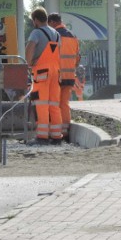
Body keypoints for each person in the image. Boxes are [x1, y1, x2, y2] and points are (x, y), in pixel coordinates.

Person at [24, 7, 62, 144]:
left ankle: (42, 136)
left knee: (42, 104)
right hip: (55, 72)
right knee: (54, 104)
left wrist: (28, 64)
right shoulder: (56, 33)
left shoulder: (36, 32)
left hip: (41, 72)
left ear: (35, 20)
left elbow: (30, 48)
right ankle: (57, 136)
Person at [47, 12, 81, 141]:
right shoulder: (73, 37)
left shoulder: (54, 36)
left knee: (54, 104)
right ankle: (65, 131)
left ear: (52, 22)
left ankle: (55, 132)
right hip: (70, 76)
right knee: (64, 104)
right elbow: (77, 59)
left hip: (57, 76)